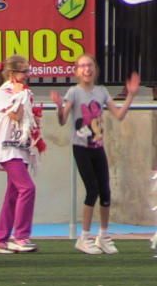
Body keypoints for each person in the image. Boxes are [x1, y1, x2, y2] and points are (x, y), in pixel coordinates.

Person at [52, 56, 140, 255]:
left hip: (97, 147)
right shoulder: (73, 92)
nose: (86, 69)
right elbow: (62, 120)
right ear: (77, 71)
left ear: (95, 69)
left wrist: (131, 95)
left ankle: (103, 235)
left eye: (89, 65)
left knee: (105, 192)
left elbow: (119, 115)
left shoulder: (101, 92)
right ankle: (84, 237)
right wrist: (59, 106)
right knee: (92, 190)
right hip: (81, 148)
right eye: (82, 66)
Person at [0, 54, 42, 254]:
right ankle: (20, 236)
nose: (27, 75)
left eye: (28, 70)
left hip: (21, 147)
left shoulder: (25, 92)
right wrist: (19, 96)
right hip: (8, 147)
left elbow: (28, 119)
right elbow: (15, 115)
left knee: (13, 194)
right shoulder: (3, 92)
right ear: (12, 73)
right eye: (24, 71)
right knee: (27, 188)